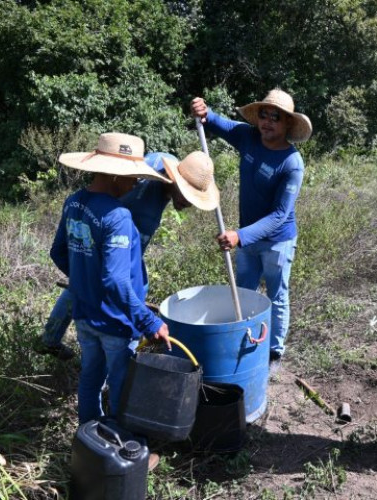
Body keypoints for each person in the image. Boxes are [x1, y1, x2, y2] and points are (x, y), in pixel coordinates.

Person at [38, 150, 219, 360]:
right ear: (175, 180)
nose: (188, 204)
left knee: (95, 281)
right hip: (107, 241)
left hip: (119, 243)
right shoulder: (140, 191)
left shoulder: (167, 167)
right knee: (90, 282)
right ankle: (111, 353)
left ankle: (55, 340)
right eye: (187, 196)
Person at [49, 132, 179, 426]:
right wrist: (149, 322)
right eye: (133, 177)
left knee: (90, 377)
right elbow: (116, 281)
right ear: (116, 175)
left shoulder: (74, 203)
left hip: (85, 315)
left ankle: (88, 435)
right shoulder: (118, 216)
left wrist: (85, 281)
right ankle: (120, 440)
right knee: (121, 384)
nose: (135, 184)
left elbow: (58, 252)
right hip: (115, 322)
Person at [190, 89, 312, 373]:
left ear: (288, 123)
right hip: (245, 240)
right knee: (244, 291)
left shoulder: (291, 163)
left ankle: (274, 352)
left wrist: (239, 236)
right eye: (264, 115)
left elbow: (280, 215)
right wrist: (203, 111)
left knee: (276, 296)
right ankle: (243, 339)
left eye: (275, 117)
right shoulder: (248, 137)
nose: (267, 122)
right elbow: (217, 122)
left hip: (277, 243)